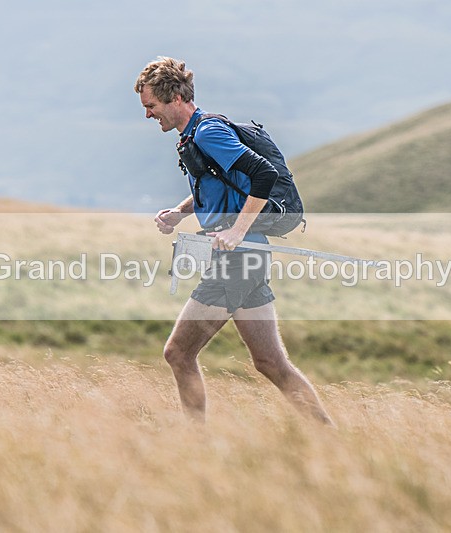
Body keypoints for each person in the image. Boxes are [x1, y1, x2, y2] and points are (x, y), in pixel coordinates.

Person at [134, 56, 333, 425]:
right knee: (271, 363)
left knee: (178, 353)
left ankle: (196, 446)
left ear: (175, 97)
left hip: (239, 259)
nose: (148, 114)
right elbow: (222, 187)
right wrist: (181, 211)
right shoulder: (194, 135)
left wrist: (238, 230)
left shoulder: (208, 132)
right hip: (247, 257)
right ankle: (329, 436)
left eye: (151, 106)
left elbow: (263, 174)